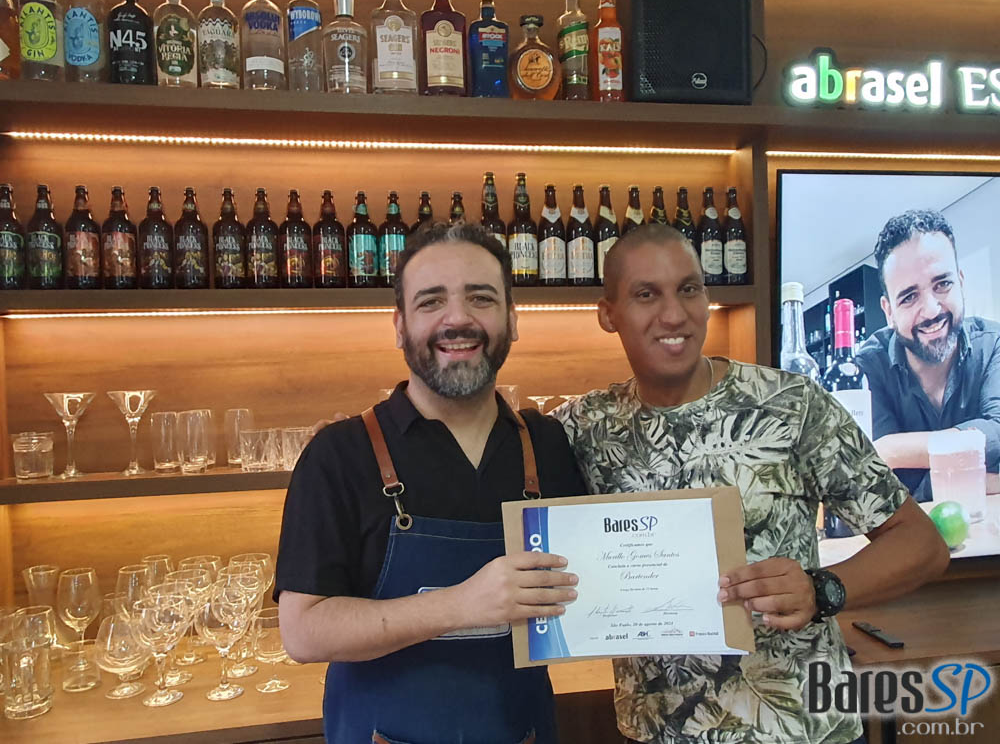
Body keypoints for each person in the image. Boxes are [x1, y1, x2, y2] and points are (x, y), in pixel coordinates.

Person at [552, 224, 950, 744]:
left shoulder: (791, 405)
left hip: (803, 729)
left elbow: (921, 544)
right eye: (646, 294)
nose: (673, 314)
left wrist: (821, 588)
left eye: (689, 289)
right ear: (608, 314)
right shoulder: (581, 428)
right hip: (657, 731)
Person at [275, 222, 584, 744]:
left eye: (481, 298)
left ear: (513, 319)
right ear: (399, 327)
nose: (457, 319)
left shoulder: (548, 444)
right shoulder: (339, 455)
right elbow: (303, 632)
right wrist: (462, 605)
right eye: (431, 302)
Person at [856, 209, 1000, 500]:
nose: (932, 310)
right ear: (888, 311)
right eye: (909, 297)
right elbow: (887, 488)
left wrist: (893, 450)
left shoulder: (993, 343)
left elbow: (997, 430)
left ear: (961, 282)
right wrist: (983, 476)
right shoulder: (869, 367)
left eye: (942, 284)